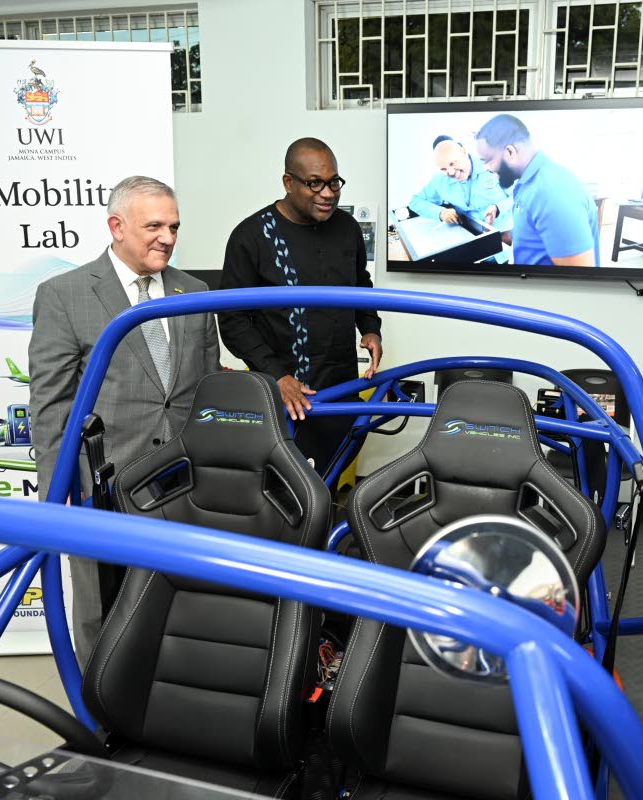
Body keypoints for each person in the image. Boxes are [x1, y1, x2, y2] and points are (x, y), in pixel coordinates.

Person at [30, 175, 220, 666]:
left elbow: (207, 388)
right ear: (116, 226)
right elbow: (51, 403)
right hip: (103, 482)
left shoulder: (194, 291)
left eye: (174, 226)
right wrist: (58, 490)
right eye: (154, 225)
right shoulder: (65, 295)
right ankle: (98, 714)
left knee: (176, 594)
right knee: (98, 604)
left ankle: (166, 697)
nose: (168, 238)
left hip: (179, 482)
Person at [218, 137, 383, 476]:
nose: (328, 193)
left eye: (334, 182)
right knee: (285, 492)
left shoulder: (347, 227)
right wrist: (277, 376)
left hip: (342, 389)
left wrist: (370, 327)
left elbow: (360, 283)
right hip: (285, 397)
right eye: (315, 183)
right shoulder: (251, 237)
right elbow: (233, 320)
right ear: (288, 183)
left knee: (330, 478)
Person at [474, 113, 598, 267]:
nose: (487, 168)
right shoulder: (527, 183)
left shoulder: (553, 192)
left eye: (488, 161)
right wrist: (498, 237)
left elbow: (578, 277)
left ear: (510, 152)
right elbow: (533, 235)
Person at [408, 135, 511, 231]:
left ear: (464, 152)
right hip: (471, 235)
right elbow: (415, 202)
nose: (450, 172)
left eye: (453, 163)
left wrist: (498, 208)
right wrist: (440, 213)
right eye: (444, 169)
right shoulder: (439, 180)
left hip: (507, 232)